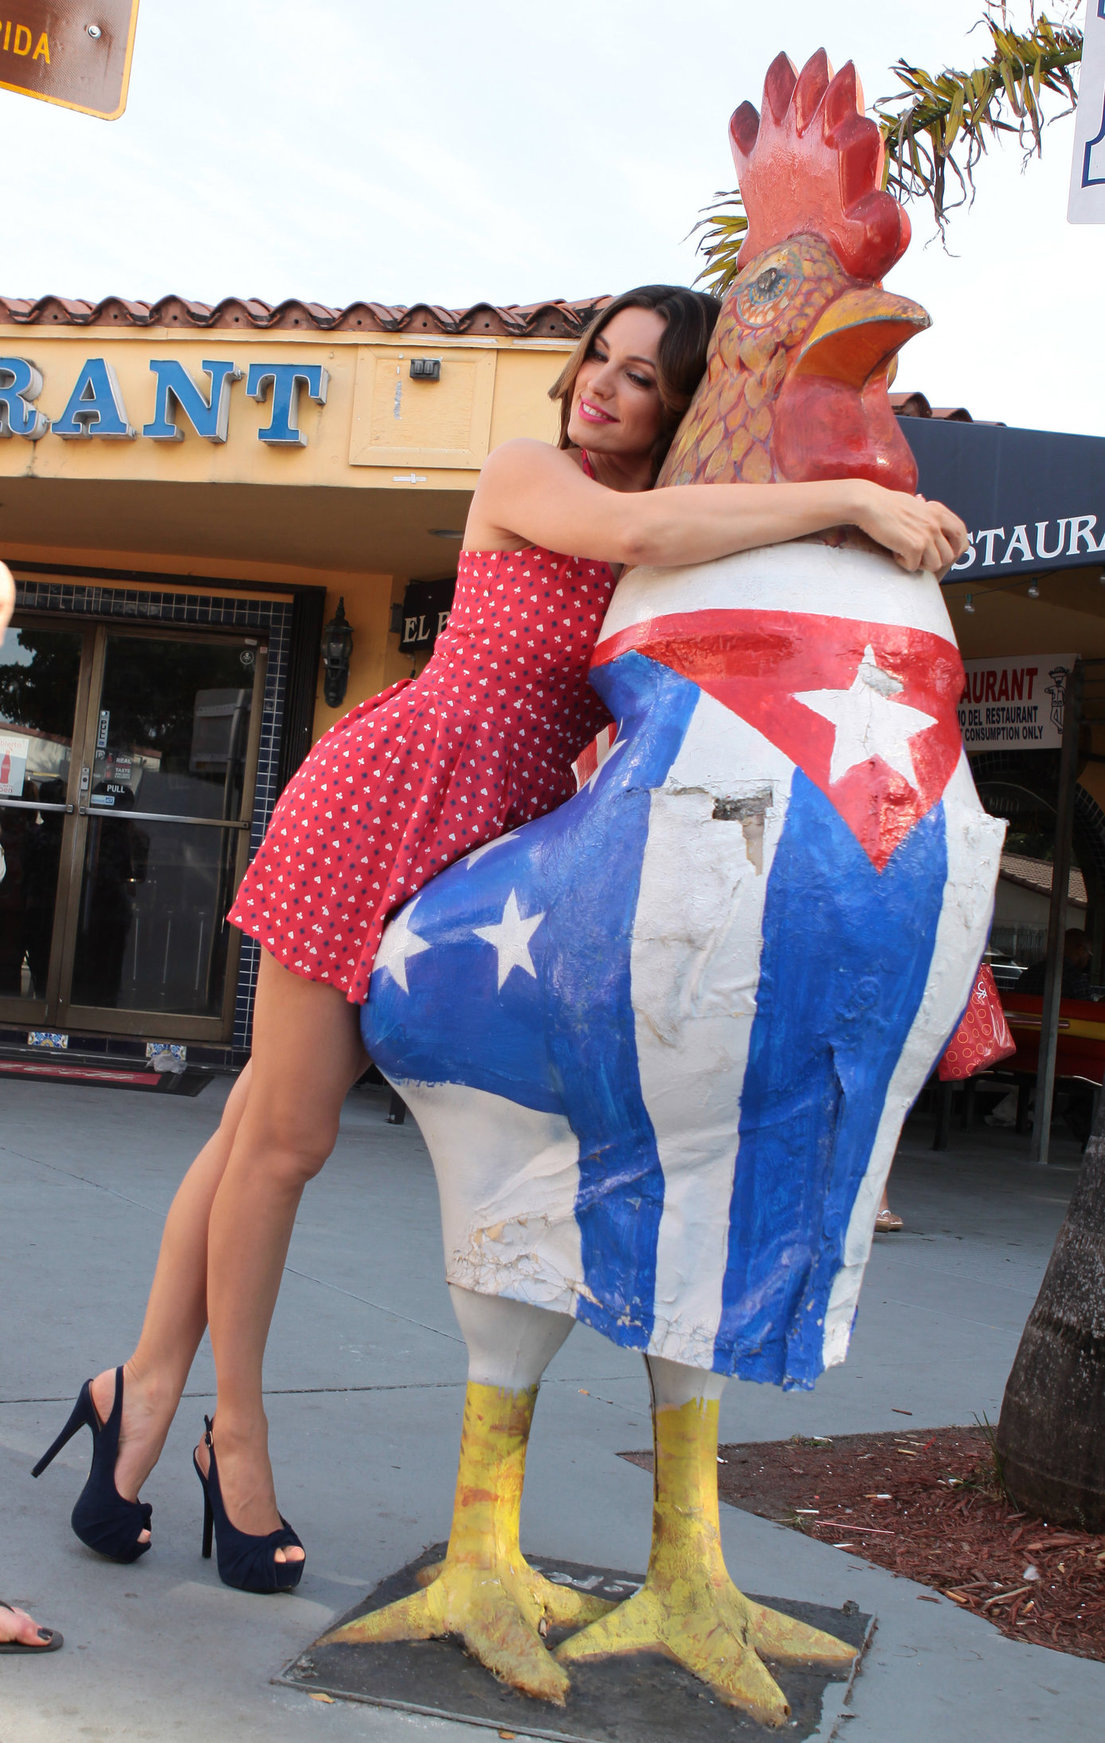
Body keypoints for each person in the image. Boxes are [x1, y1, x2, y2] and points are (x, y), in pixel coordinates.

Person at [31, 287, 968, 1593]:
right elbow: (637, 521)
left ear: (680, 405)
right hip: (386, 797)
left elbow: (690, 568)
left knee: (250, 1123)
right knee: (286, 1137)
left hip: (494, 842)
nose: (604, 385)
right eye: (602, 358)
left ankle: (132, 1390)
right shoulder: (531, 473)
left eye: (644, 377)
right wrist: (850, 505)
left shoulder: (670, 549)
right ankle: (227, 1434)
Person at [1015, 927, 1093, 999]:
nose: (1088, 958)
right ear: (1080, 950)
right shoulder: (1076, 979)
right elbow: (1088, 1010)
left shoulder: (1029, 973)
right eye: (1089, 954)